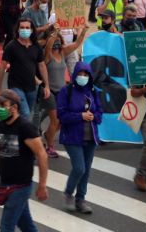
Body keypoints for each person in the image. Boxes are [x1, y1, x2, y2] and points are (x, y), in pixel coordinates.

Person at [0, 90, 49, 232]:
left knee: (6, 227)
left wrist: (42, 185)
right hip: (5, 183)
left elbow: (42, 155)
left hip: (20, 186)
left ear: (14, 107)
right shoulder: (0, 127)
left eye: (3, 104)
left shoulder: (25, 128)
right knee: (26, 225)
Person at [57, 62, 102, 214]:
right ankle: (68, 193)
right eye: (80, 74)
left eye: (86, 74)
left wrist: (93, 116)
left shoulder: (93, 92)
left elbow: (100, 114)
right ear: (75, 74)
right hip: (72, 136)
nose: (83, 77)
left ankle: (80, 199)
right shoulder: (66, 91)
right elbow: (61, 115)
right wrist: (80, 116)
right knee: (79, 168)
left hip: (91, 137)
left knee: (86, 170)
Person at [40, 26, 88, 158]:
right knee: (55, 121)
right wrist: (55, 34)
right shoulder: (47, 55)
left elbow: (77, 43)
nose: (56, 44)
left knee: (61, 121)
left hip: (62, 93)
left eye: (58, 41)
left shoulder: (63, 53)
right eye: (54, 41)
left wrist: (83, 31)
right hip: (50, 92)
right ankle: (50, 147)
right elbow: (49, 46)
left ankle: (47, 135)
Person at [0, 18, 51, 119]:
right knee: (25, 114)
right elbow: (2, 67)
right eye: (22, 27)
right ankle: (23, 133)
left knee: (23, 114)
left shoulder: (36, 46)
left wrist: (46, 85)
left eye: (27, 27)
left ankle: (14, 131)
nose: (24, 30)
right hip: (15, 86)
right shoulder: (11, 46)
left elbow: (42, 66)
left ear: (32, 30)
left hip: (32, 88)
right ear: (17, 29)